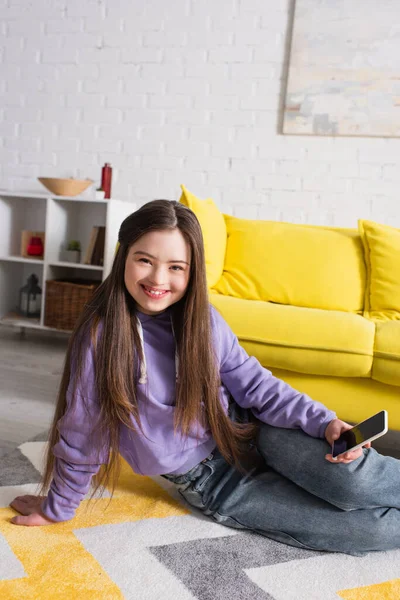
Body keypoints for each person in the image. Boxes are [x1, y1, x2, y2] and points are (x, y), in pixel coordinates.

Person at [10, 200, 400, 557]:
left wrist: (325, 422)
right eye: (144, 260)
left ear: (192, 270)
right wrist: (58, 506)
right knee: (374, 531)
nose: (158, 277)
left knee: (355, 482)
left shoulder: (205, 322)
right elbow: (83, 430)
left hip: (255, 432)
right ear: (122, 257)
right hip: (211, 482)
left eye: (176, 267)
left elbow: (258, 387)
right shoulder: (102, 336)